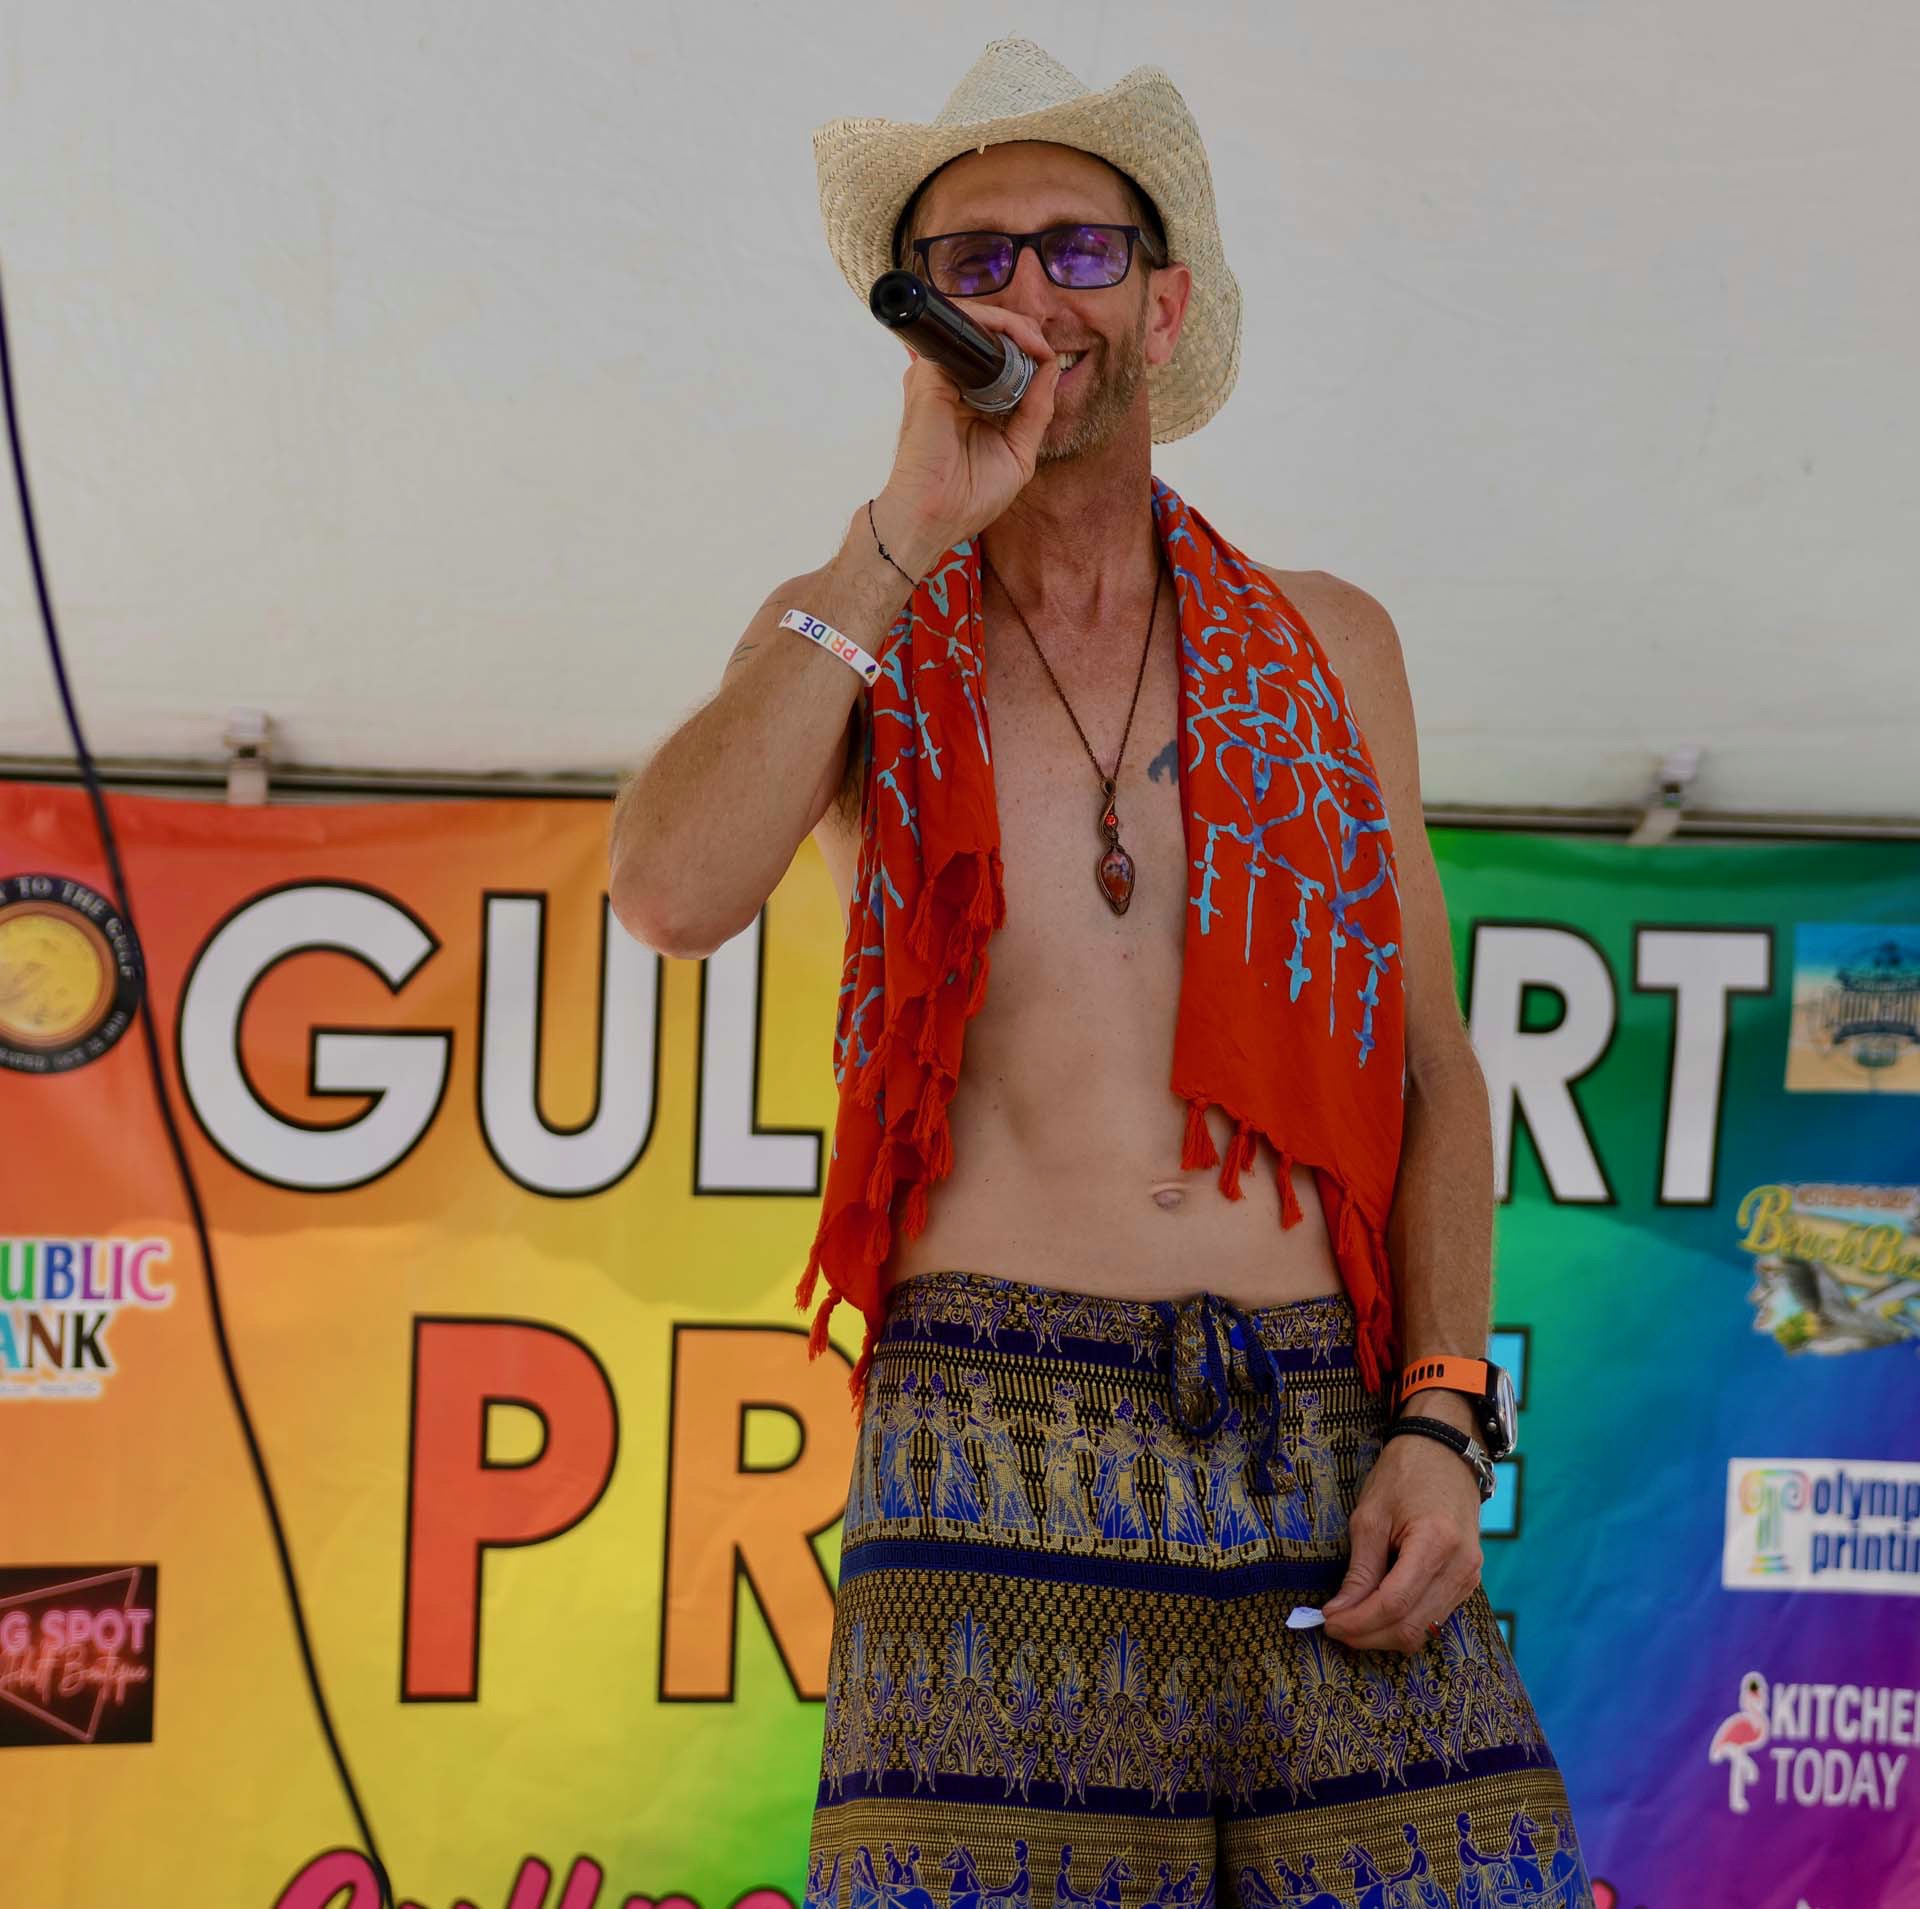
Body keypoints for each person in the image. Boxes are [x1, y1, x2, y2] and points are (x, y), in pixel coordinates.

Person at [611, 34, 1594, 1909]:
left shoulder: (1329, 640)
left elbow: (1432, 1072)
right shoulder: (846, 633)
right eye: (972, 262)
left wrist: (1443, 1413)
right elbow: (667, 893)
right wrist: (899, 535)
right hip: (990, 1435)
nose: (1029, 293)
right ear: (920, 327)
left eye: (1076, 247)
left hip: (1322, 1422)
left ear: (1169, 295)